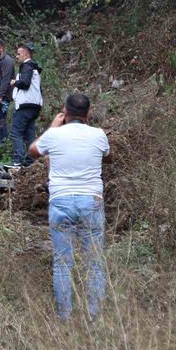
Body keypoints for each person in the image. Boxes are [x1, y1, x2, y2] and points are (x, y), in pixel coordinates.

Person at [28, 93, 111, 319]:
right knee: (94, 264)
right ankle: (95, 317)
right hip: (91, 202)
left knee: (62, 264)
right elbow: (107, 155)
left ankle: (64, 317)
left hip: (61, 201)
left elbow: (33, 151)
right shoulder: (99, 135)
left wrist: (53, 126)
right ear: (89, 113)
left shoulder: (55, 135)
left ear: (64, 112)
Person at [9, 44, 42, 167]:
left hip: (25, 105)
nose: (16, 56)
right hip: (34, 106)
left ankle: (17, 160)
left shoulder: (27, 66)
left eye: (18, 54)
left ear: (26, 54)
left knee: (15, 133)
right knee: (29, 135)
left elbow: (25, 83)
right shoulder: (34, 68)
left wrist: (15, 82)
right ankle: (30, 161)